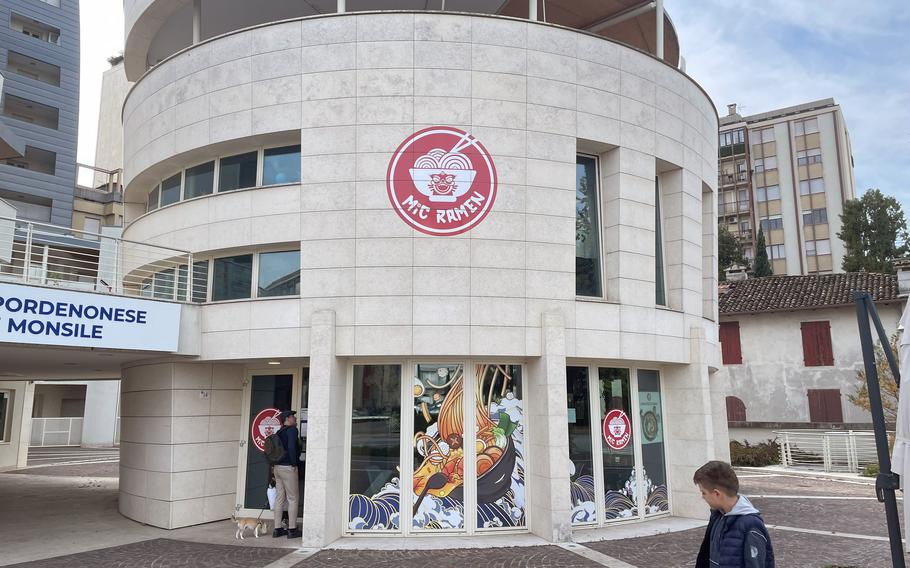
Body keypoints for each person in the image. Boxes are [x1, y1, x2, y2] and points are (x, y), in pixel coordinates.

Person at [694, 460, 774, 567]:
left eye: (704, 492)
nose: (702, 497)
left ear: (717, 493)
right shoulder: (718, 516)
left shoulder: (751, 526)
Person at [272, 410, 301, 539]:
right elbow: (291, 448)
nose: (295, 418)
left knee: (279, 498)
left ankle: (277, 529)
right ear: (288, 419)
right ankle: (292, 529)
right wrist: (294, 464)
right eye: (293, 417)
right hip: (288, 467)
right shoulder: (292, 431)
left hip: (277, 467)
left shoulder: (279, 432)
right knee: (293, 498)